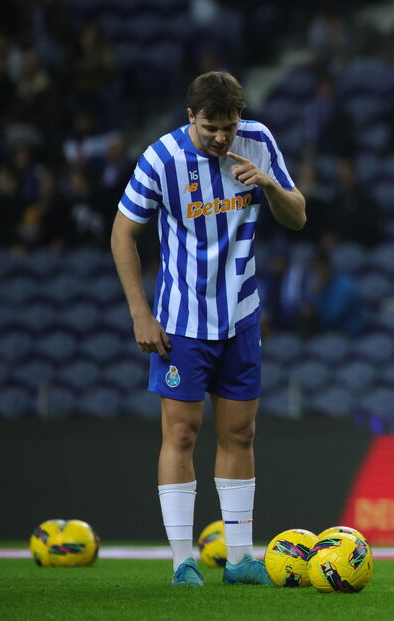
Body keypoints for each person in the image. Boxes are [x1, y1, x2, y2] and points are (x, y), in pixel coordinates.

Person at [110, 71, 306, 587]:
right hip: (181, 321)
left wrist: (268, 183)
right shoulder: (161, 159)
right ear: (190, 116)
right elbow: (122, 233)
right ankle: (182, 562)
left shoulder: (258, 142)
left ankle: (240, 559)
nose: (222, 137)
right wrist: (140, 313)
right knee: (181, 432)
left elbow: (298, 215)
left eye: (229, 126)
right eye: (211, 127)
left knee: (240, 432)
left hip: (240, 316)